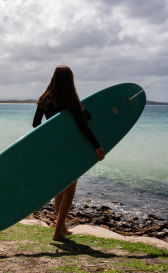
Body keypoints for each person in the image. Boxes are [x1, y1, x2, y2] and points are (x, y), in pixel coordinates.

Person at [33, 65, 106, 241]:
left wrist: (52, 136)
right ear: (70, 80)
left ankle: (62, 227)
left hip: (53, 149)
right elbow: (82, 126)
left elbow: (36, 124)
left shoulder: (45, 99)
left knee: (60, 189)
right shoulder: (70, 100)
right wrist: (97, 146)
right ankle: (58, 232)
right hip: (69, 148)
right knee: (70, 191)